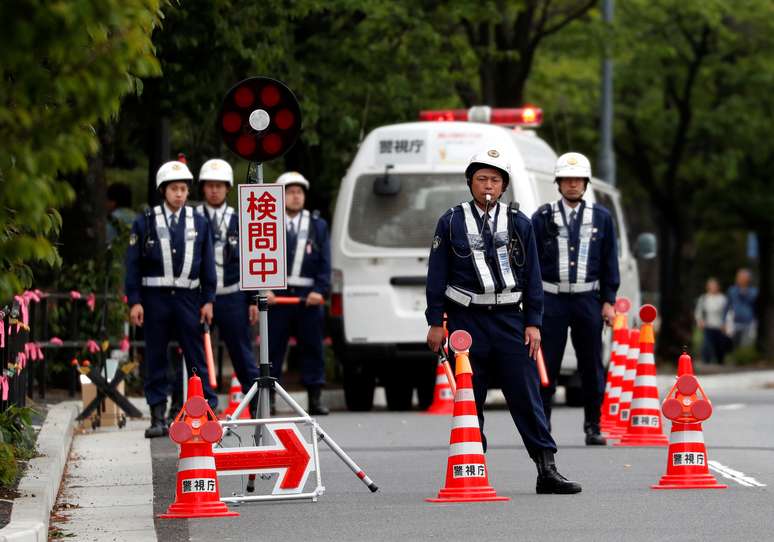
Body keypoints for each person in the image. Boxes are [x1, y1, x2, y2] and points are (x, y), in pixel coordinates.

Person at [426, 149, 581, 494]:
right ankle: (471, 465)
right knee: (470, 395)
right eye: (481, 179)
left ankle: (547, 468)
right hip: (467, 320)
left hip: (511, 318)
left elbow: (534, 278)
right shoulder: (450, 221)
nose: (488, 186)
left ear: (504, 186)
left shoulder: (519, 222)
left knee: (527, 394)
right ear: (470, 182)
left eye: (495, 180)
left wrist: (533, 322)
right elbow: (436, 275)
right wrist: (436, 321)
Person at [531, 152, 620, 446]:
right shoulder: (542, 217)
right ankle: (542, 424)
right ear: (558, 183)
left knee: (591, 365)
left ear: (585, 183)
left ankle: (593, 425)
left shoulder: (602, 218)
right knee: (547, 364)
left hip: (587, 300)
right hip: (551, 299)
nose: (572, 185)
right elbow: (530, 262)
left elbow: (610, 262)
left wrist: (608, 300)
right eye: (567, 180)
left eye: (577, 180)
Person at [125, 160, 218, 438]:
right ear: (163, 190)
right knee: (156, 356)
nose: (179, 194)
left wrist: (209, 299)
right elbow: (133, 265)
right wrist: (135, 301)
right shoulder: (145, 221)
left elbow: (208, 265)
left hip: (189, 298)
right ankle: (157, 416)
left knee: (195, 356)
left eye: (183, 189)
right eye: (174, 188)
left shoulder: (200, 222)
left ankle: (204, 411)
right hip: (155, 299)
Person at [195, 158, 260, 412]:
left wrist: (253, 299)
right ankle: (202, 405)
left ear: (228, 188)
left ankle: (256, 403)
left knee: (242, 353)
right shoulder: (193, 217)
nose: (214, 190)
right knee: (197, 354)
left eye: (219, 186)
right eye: (210, 185)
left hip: (233, 295)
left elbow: (251, 258)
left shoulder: (239, 218)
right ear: (202, 188)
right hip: (201, 297)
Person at [267, 172, 332, 415]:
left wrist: (320, 291)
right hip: (277, 298)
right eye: (290, 192)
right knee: (272, 350)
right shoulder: (268, 223)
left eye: (299, 192)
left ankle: (315, 398)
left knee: (313, 347)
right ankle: (269, 398)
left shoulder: (317, 225)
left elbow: (325, 262)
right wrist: (265, 289)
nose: (295, 197)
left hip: (308, 298)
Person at [694, 277, 729, 364]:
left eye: (715, 286)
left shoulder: (723, 299)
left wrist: (725, 324)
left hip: (719, 326)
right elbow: (698, 311)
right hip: (708, 325)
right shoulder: (704, 298)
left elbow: (727, 312)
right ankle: (706, 362)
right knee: (707, 345)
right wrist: (700, 321)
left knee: (720, 346)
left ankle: (720, 362)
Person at [725, 268, 758, 349]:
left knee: (746, 346)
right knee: (735, 346)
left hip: (749, 324)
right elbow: (726, 307)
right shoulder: (732, 290)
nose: (742, 279)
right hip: (734, 324)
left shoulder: (754, 291)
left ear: (748, 279)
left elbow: (756, 307)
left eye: (744, 277)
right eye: (740, 277)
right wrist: (724, 322)